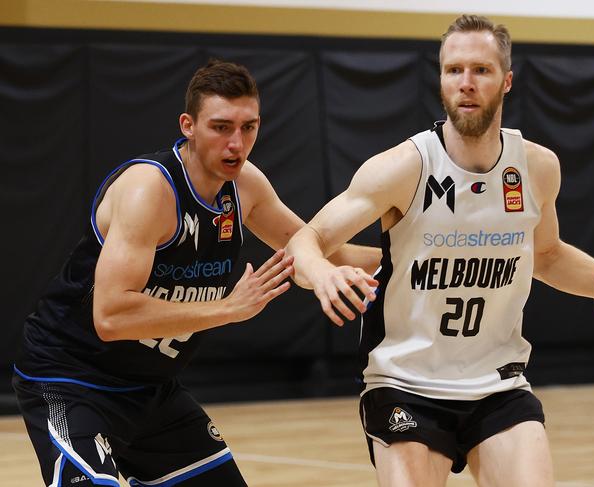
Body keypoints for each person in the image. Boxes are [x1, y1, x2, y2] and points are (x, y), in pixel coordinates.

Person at [13, 59, 380, 487]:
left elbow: (320, 247)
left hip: (152, 389)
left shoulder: (245, 186)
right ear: (188, 125)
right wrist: (228, 308)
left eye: (248, 128)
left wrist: (406, 255)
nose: (236, 144)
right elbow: (111, 316)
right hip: (71, 379)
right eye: (221, 127)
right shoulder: (148, 189)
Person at [286, 14, 594, 487]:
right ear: (440, 78)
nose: (466, 83)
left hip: (498, 382)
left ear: (507, 80)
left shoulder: (537, 168)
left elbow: (548, 256)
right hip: (405, 383)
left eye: (481, 70)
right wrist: (322, 273)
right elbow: (305, 241)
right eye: (454, 70)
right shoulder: (404, 168)